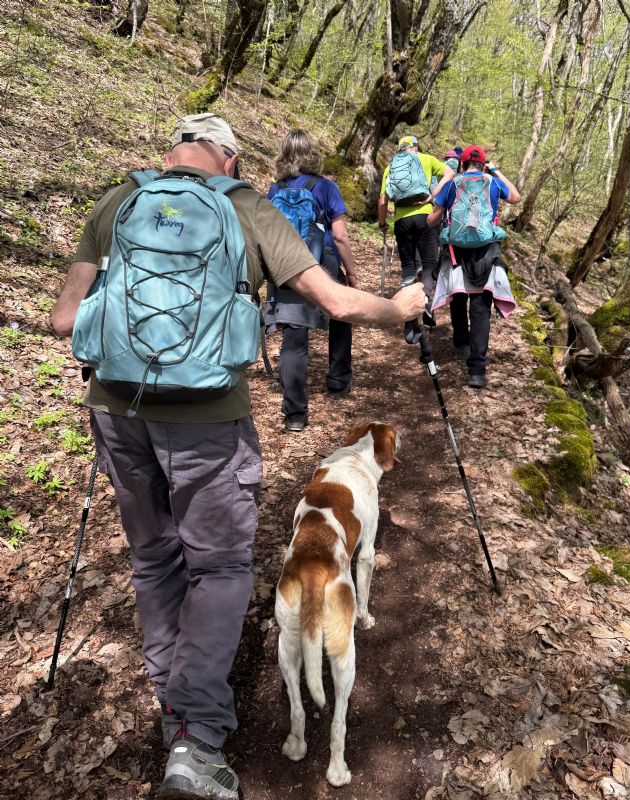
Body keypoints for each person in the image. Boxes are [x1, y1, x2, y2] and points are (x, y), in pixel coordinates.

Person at [50, 113, 425, 800]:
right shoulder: (243, 206)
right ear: (229, 157)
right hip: (207, 422)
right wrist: (400, 309)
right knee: (218, 568)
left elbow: (66, 321)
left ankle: (176, 708)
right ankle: (196, 741)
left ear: (175, 149)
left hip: (117, 412)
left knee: (153, 560)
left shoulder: (118, 201)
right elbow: (336, 303)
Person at [264, 130, 356, 432]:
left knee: (294, 336)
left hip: (287, 265)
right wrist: (350, 273)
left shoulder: (274, 191)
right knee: (340, 312)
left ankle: (295, 414)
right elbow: (340, 235)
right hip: (322, 259)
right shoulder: (326, 187)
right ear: (313, 153)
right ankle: (338, 381)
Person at [427, 144, 520, 388]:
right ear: (483, 164)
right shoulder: (492, 182)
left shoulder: (452, 184)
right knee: (481, 308)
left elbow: (431, 221)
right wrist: (496, 171)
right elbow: (516, 197)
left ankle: (460, 343)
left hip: (456, 251)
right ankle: (476, 370)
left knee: (458, 297)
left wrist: (440, 211)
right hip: (486, 251)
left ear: (461, 163)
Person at [377, 135, 454, 342]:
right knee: (428, 265)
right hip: (426, 218)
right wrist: (434, 194)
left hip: (402, 220)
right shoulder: (427, 159)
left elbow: (383, 200)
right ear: (416, 147)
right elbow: (450, 173)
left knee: (408, 269)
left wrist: (382, 223)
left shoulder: (391, 167)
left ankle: (411, 326)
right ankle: (426, 303)